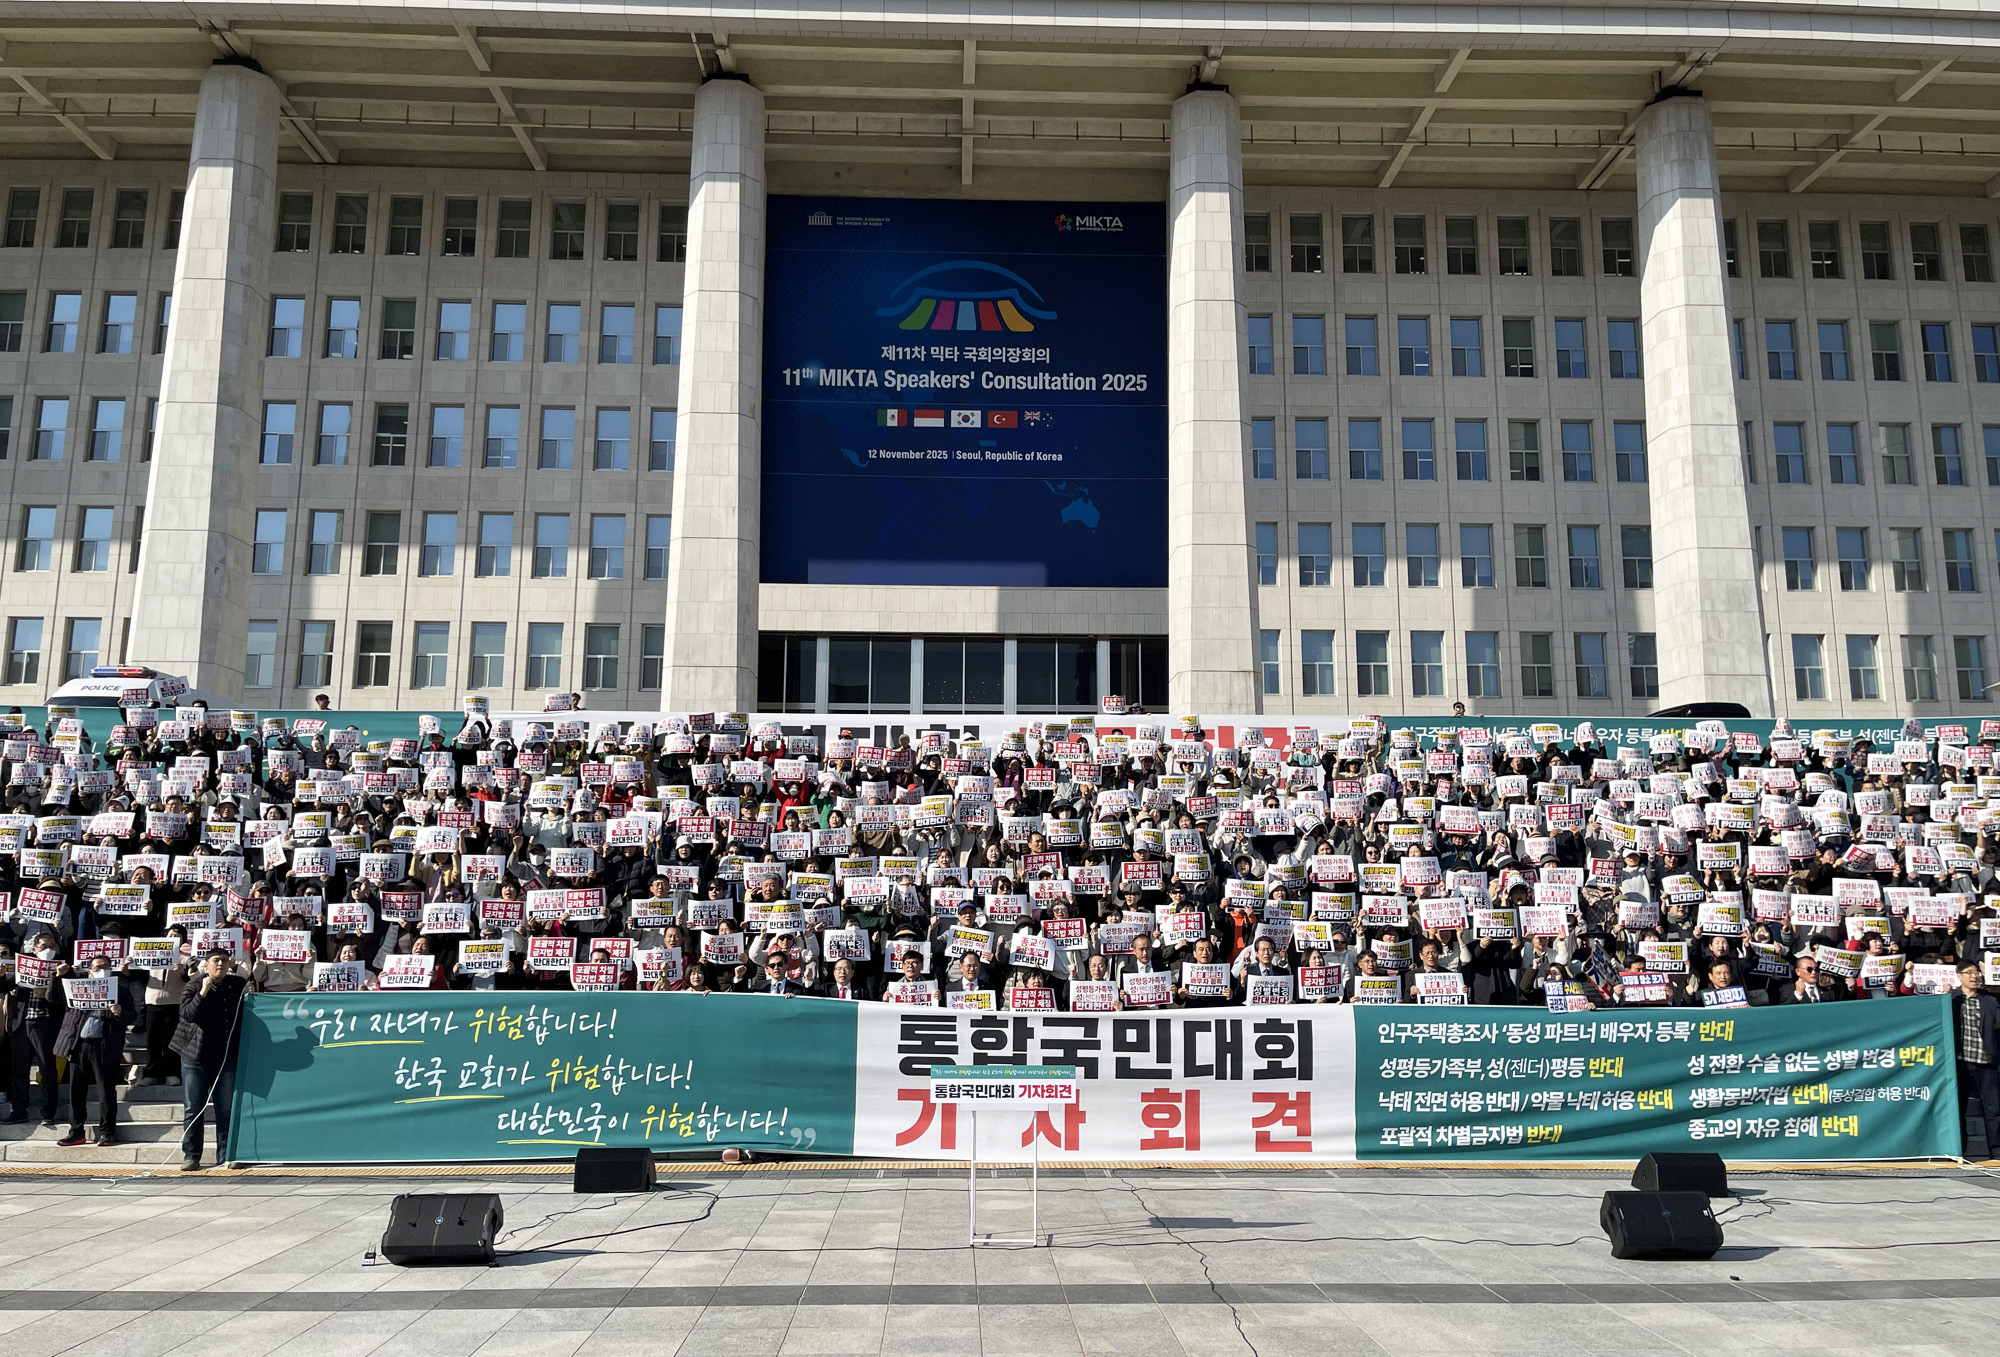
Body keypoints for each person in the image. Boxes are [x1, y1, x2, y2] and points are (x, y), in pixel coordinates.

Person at [174, 949, 249, 1171]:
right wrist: (203, 992)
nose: (221, 964)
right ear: (206, 964)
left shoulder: (237, 984)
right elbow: (188, 1014)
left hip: (225, 1055)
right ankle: (191, 1155)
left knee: (226, 1107)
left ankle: (227, 1154)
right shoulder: (194, 985)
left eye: (225, 960)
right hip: (195, 1056)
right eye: (216, 960)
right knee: (193, 1107)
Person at [54, 956, 128, 1148]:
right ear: (89, 971)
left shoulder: (119, 990)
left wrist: (120, 1012)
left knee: (105, 1092)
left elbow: (132, 1015)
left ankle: (106, 1132)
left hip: (104, 1046)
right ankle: (76, 1132)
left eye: (105, 966)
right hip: (79, 1045)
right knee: (76, 1091)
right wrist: (59, 978)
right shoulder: (77, 987)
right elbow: (54, 999)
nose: (102, 970)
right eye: (97, 967)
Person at [1954, 962, 2000, 1159]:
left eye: (1977, 972)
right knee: (1958, 1108)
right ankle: (1959, 1150)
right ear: (1959, 976)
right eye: (1969, 972)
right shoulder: (1951, 1000)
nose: (1974, 976)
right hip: (1960, 1063)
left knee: (1993, 1110)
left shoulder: (1990, 1001)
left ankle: (1996, 1151)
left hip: (1986, 1062)